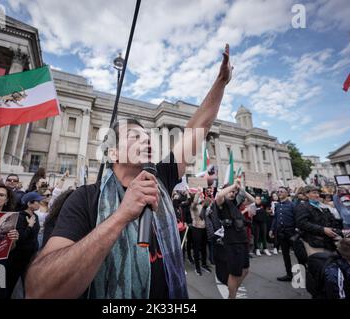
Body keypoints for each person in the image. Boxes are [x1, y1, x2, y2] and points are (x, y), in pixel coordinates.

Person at [25, 43, 233, 299]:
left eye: (148, 137)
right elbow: (40, 289)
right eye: (135, 136)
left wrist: (221, 82)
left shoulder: (162, 179)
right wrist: (121, 215)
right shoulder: (85, 199)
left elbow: (199, 125)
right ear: (112, 153)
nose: (147, 141)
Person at [213, 180, 250, 299]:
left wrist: (241, 188)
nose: (232, 193)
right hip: (233, 242)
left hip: (243, 239)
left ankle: (233, 290)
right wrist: (233, 185)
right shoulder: (222, 204)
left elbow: (253, 201)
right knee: (235, 273)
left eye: (234, 192)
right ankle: (232, 296)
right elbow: (219, 196)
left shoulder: (235, 204)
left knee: (245, 270)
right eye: (230, 192)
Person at [8, 192, 42, 297]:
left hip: (32, 255)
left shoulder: (35, 215)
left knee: (28, 282)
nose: (39, 204)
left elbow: (34, 236)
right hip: (19, 256)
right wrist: (30, 226)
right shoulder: (20, 216)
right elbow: (20, 237)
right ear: (29, 203)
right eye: (37, 202)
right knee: (12, 282)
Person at [295, 185, 343, 256]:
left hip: (329, 242)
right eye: (314, 193)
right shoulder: (303, 206)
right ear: (307, 194)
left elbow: (331, 221)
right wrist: (323, 229)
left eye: (318, 193)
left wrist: (336, 230)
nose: (317, 195)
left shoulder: (323, 206)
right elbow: (302, 223)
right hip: (315, 243)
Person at [269, 187, 296, 281]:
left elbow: (296, 219)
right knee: (285, 255)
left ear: (287, 193)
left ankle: (304, 274)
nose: (279, 193)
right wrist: (272, 229)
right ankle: (289, 274)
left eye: (281, 191)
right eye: (278, 191)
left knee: (299, 254)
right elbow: (275, 218)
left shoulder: (292, 205)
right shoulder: (277, 205)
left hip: (291, 233)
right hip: (281, 233)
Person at [190, 188, 210, 275]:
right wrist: (198, 192)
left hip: (204, 229)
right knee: (196, 249)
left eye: (201, 196)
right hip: (196, 229)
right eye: (199, 196)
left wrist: (208, 199)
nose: (201, 197)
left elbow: (209, 203)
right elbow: (194, 203)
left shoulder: (203, 206)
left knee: (204, 248)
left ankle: (204, 264)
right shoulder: (193, 207)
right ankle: (197, 267)